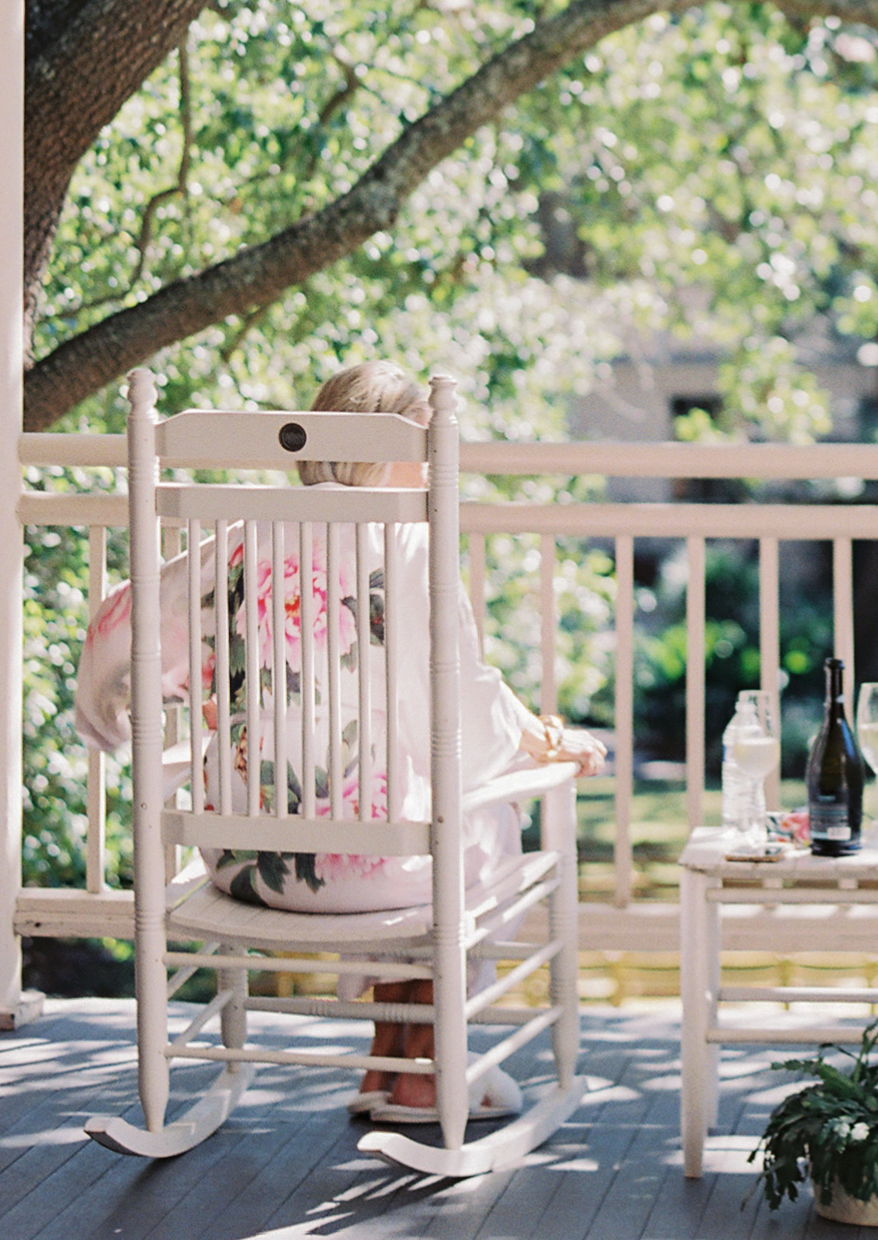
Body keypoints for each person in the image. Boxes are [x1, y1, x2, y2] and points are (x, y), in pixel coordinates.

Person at [74, 361, 604, 1120]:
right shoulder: (413, 545)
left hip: (244, 862)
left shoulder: (234, 538)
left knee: (414, 822)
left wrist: (107, 719)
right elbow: (464, 709)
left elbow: (119, 624)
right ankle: (429, 1075)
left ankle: (387, 1061)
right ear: (382, 446)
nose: (430, 458)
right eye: (422, 437)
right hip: (366, 871)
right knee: (477, 823)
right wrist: (533, 748)